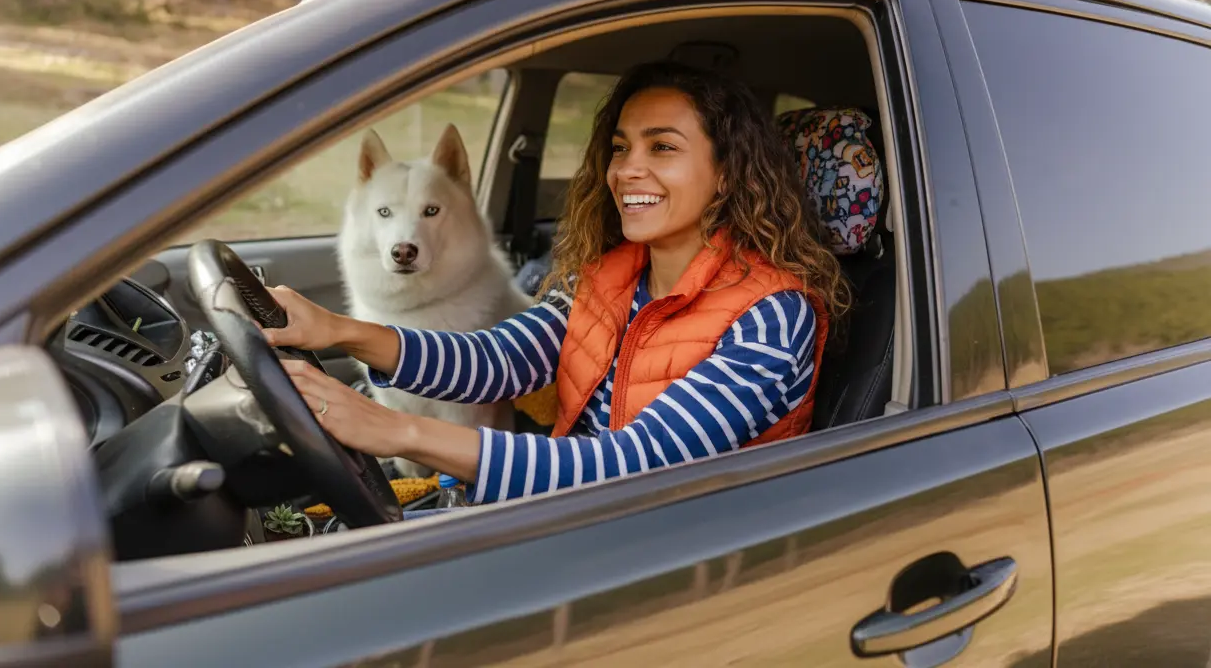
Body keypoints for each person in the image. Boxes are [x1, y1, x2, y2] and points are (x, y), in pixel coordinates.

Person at [264, 61, 848, 506]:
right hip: (575, 518)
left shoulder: (772, 316)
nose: (627, 169)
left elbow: (631, 464)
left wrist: (397, 430)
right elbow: (492, 360)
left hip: (677, 549)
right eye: (620, 148)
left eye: (662, 147)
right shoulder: (609, 277)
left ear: (727, 174)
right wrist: (336, 329)